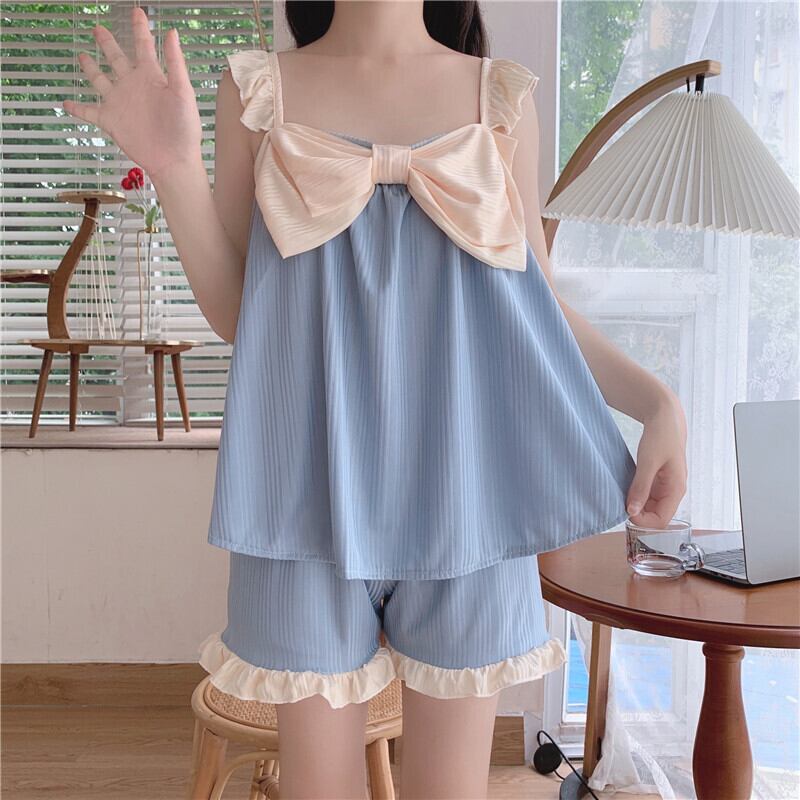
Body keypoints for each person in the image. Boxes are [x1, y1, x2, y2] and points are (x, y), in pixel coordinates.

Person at [63, 2, 688, 797]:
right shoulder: (258, 90)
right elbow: (239, 310)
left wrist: (656, 401)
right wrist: (174, 166)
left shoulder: (500, 96)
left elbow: (539, 306)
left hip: (470, 499)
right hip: (305, 502)